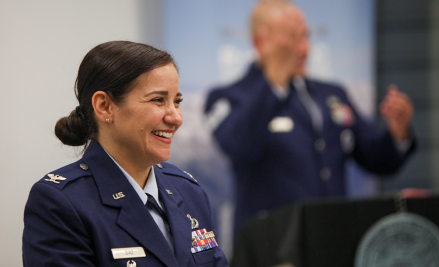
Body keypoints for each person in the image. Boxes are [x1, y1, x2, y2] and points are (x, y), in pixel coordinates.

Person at [205, 0, 416, 236]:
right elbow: (239, 146)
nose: (303, 49)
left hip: (332, 242)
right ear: (260, 41)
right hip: (272, 245)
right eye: (292, 38)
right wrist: (275, 80)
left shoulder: (332, 94)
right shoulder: (229, 97)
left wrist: (398, 133)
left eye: (305, 37)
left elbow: (376, 158)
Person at [23, 41, 229, 267]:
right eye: (158, 100)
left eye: (177, 102)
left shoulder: (189, 191)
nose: (176, 118)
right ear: (104, 106)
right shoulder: (61, 202)